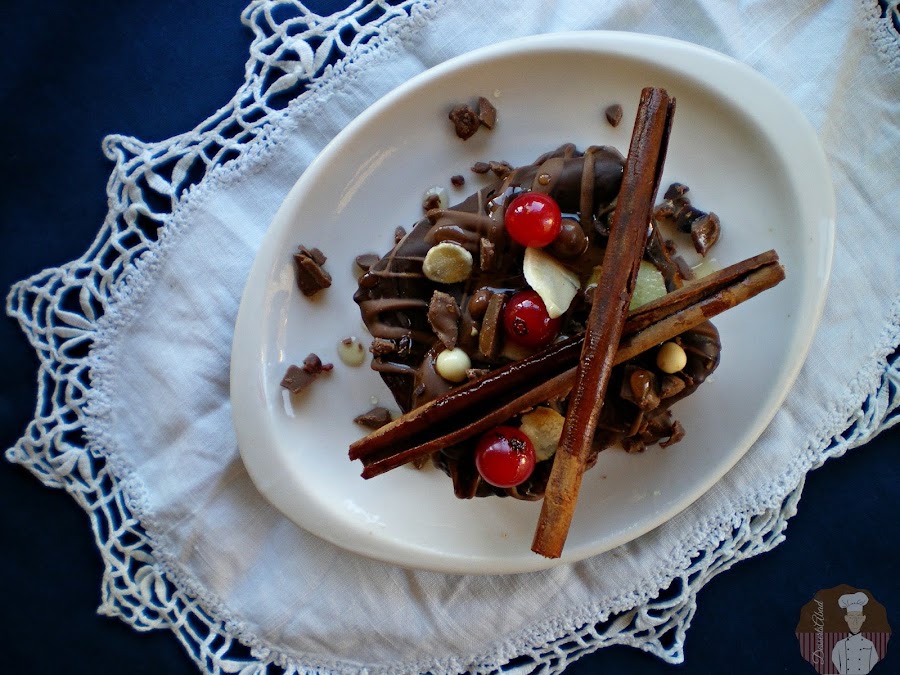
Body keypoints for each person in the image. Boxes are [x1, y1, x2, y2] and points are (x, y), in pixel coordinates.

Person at [832, 592, 879, 674]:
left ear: (863, 618)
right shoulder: (839, 645)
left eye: (858, 617)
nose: (855, 621)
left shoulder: (869, 645)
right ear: (846, 618)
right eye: (851, 617)